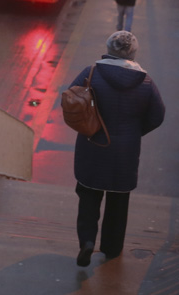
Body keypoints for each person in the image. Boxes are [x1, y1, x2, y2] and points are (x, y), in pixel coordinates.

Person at [69, 31, 165, 267]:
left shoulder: (90, 73)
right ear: (133, 53)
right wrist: (134, 132)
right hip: (125, 153)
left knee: (89, 197)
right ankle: (112, 248)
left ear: (108, 49)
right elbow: (157, 115)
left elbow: (70, 100)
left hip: (92, 146)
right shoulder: (145, 82)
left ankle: (87, 242)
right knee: (118, 202)